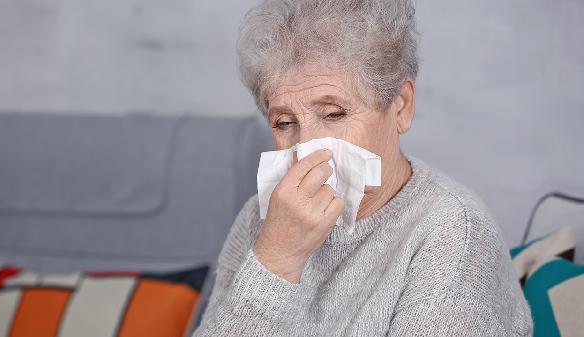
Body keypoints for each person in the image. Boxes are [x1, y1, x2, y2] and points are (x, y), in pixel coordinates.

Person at [192, 0, 533, 335]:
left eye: (333, 114)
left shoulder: (454, 235)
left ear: (401, 106)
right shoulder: (260, 219)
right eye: (283, 122)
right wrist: (275, 259)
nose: (305, 148)